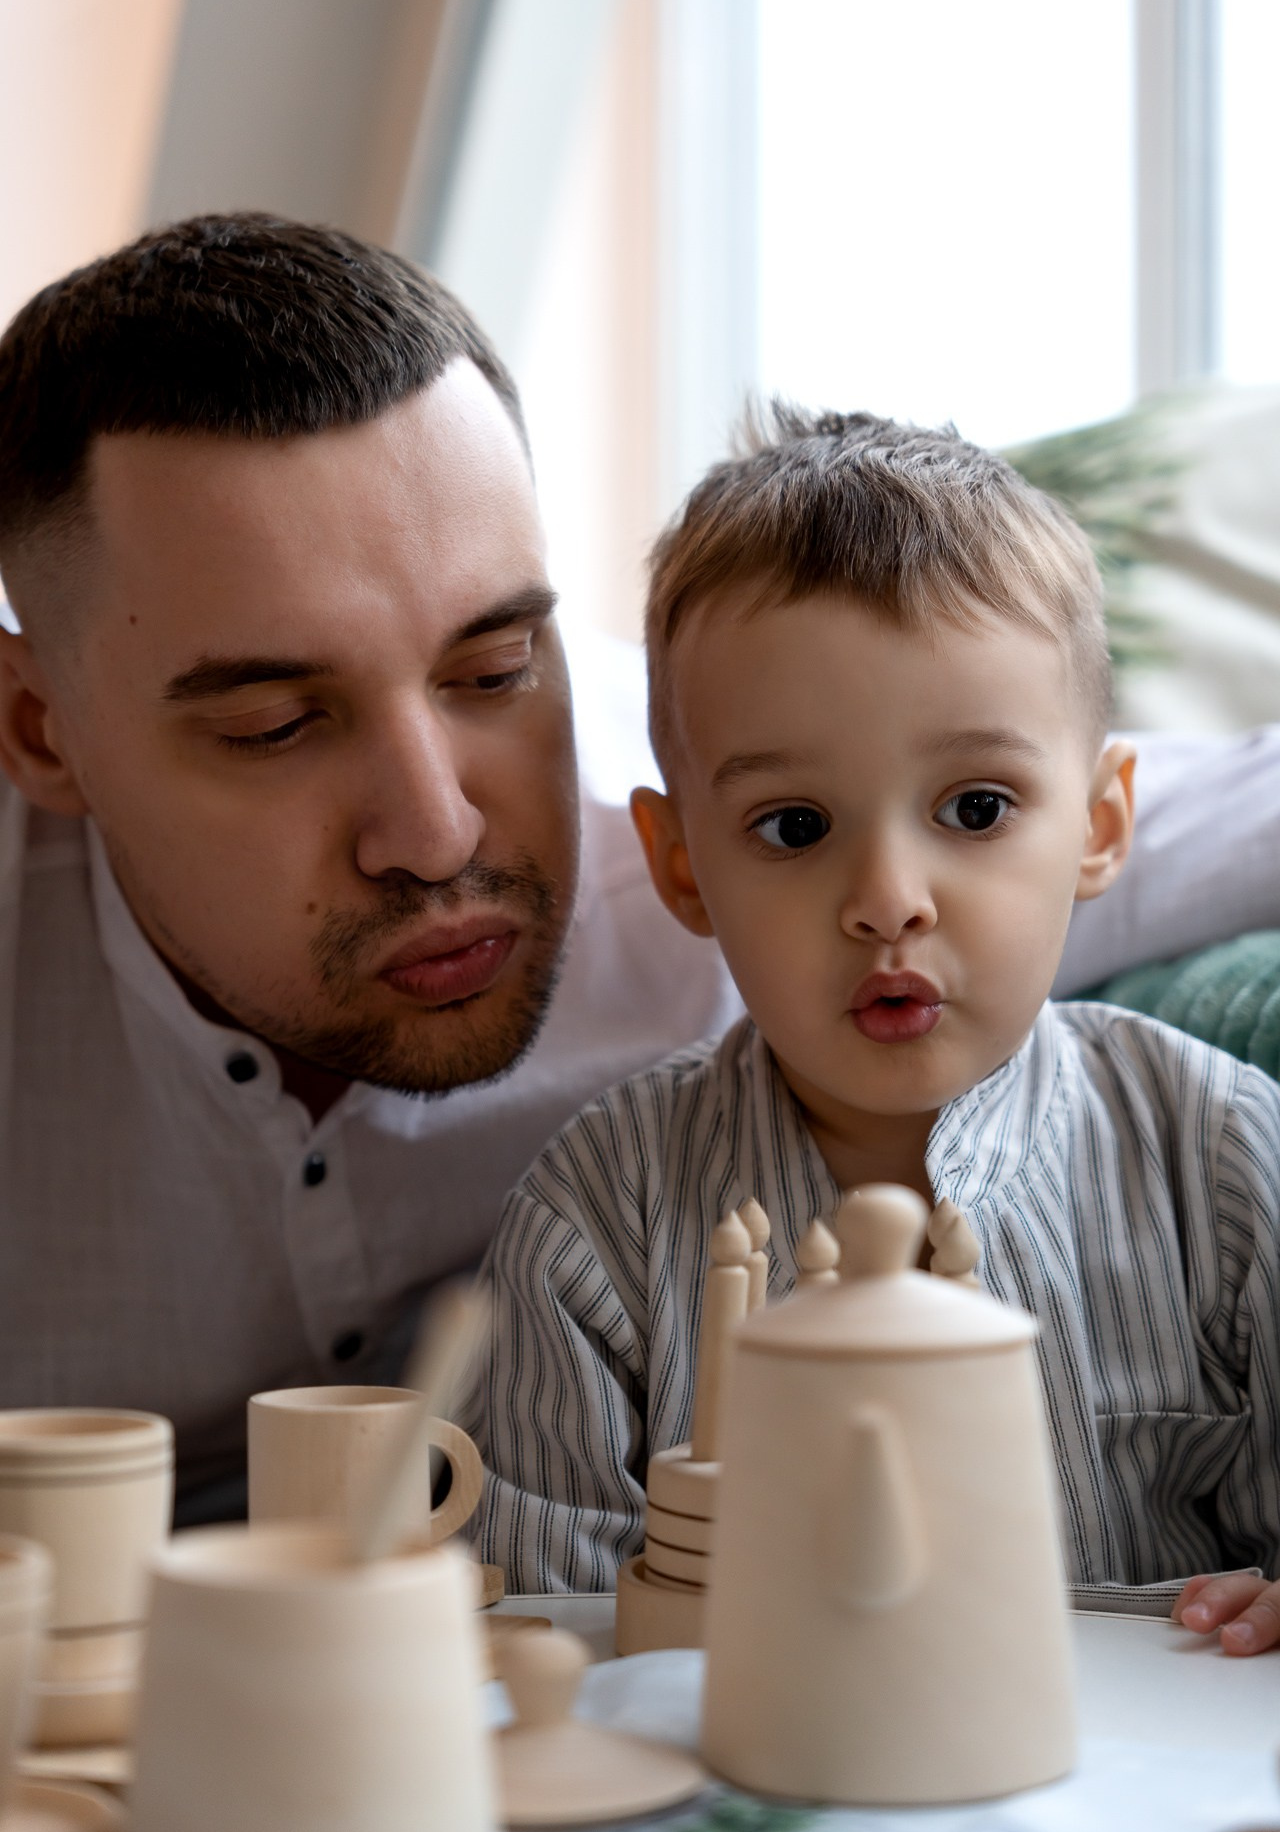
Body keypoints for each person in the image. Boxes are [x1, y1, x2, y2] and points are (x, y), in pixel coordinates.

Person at [0, 214, 1277, 1527]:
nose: (441, 834)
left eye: (493, 672)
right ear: (42, 729)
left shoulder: (753, 799)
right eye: (275, 726)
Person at [472, 406, 1280, 1659]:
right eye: (793, 827)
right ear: (680, 867)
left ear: (1101, 824)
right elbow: (534, 1645)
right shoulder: (596, 1222)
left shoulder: (1225, 1160)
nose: (887, 896)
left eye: (973, 806)